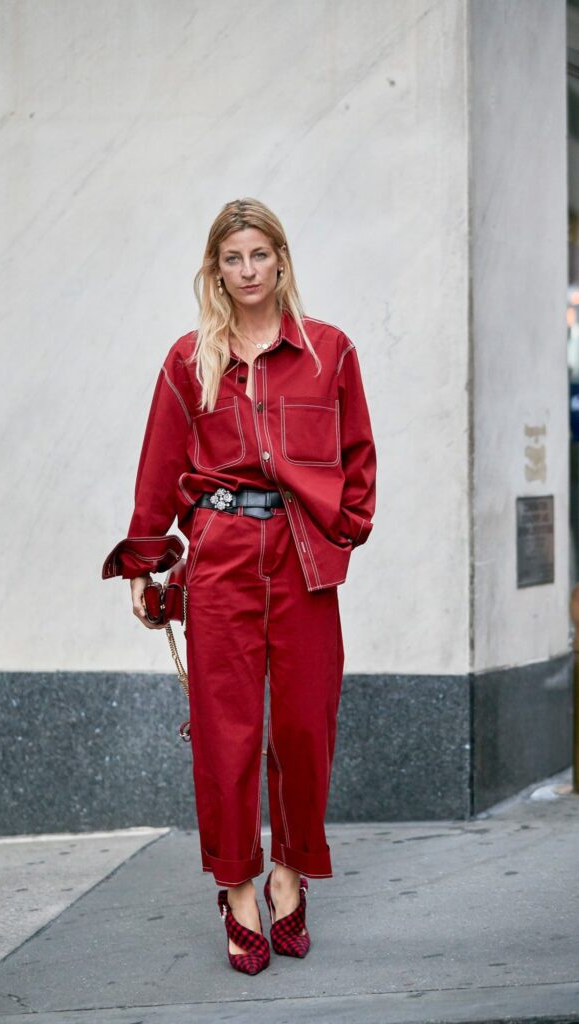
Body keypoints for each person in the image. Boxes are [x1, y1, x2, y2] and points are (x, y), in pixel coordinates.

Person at [108, 197, 376, 975]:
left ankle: (289, 874)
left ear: (281, 261)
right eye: (233, 258)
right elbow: (159, 466)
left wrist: (343, 527)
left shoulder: (330, 351)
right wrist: (144, 561)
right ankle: (236, 890)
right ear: (215, 270)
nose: (248, 269)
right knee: (225, 733)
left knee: (304, 726)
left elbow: (357, 456)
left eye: (260, 254)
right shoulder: (187, 359)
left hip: (300, 557)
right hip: (221, 554)